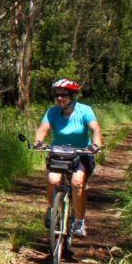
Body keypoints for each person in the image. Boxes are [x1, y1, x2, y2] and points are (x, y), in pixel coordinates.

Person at [33, 78, 102, 238]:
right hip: (59, 153)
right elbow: (43, 129)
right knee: (53, 180)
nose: (59, 98)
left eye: (63, 95)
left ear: (72, 96)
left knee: (77, 182)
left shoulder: (84, 111)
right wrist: (38, 142)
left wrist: (95, 146)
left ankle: (79, 221)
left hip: (81, 154)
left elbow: (96, 130)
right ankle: (51, 209)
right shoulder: (52, 112)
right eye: (57, 95)